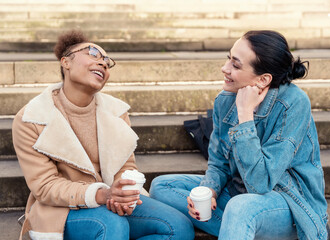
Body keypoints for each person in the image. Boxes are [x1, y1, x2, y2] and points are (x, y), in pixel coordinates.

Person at [12, 30, 194, 240]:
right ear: (66, 62)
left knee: (178, 227)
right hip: (62, 209)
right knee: (112, 225)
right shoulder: (32, 117)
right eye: (93, 53)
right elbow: (45, 186)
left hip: (110, 199)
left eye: (107, 61)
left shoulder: (117, 112)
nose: (103, 63)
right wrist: (100, 194)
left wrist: (123, 194)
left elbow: (126, 167)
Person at [150, 30, 329, 240]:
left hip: (289, 204)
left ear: (263, 79)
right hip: (238, 196)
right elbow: (218, 163)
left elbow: (260, 183)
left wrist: (245, 114)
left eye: (235, 65)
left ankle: (240, 227)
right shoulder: (224, 100)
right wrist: (210, 190)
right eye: (228, 58)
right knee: (162, 186)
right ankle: (241, 230)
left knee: (240, 208)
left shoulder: (292, 103)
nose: (224, 68)